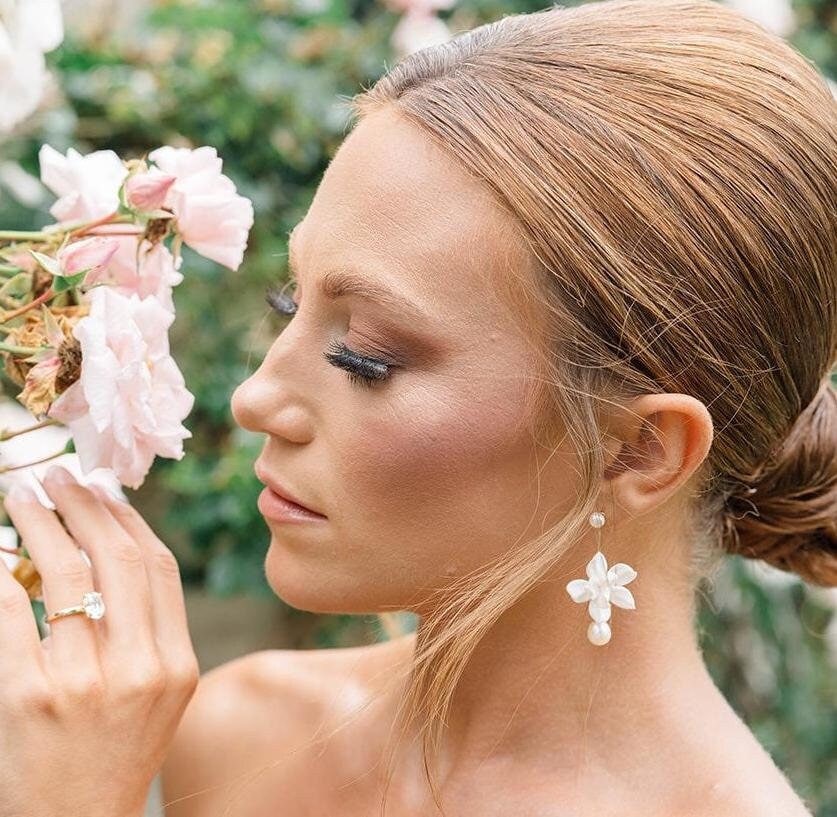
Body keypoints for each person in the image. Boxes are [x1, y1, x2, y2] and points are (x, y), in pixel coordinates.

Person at [1, 0, 833, 815]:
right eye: (291, 304)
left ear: (640, 448)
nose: (256, 397)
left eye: (367, 356)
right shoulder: (239, 733)